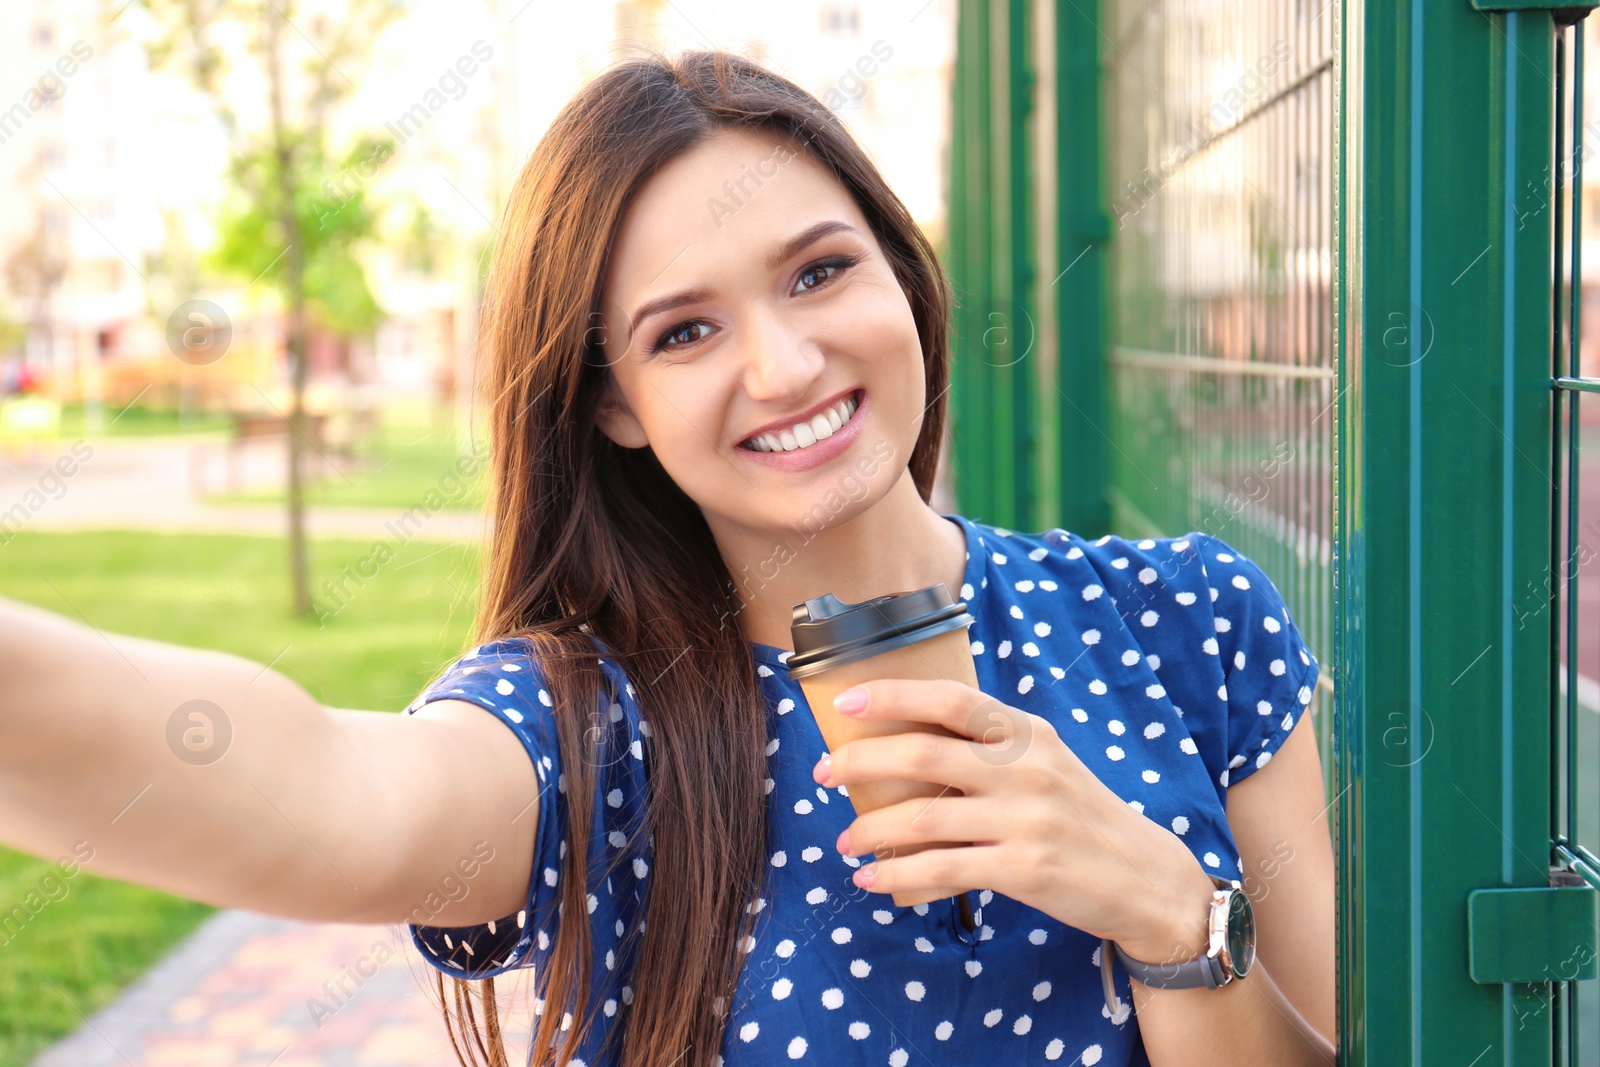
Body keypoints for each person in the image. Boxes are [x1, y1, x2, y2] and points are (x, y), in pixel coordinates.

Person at [0, 50, 1337, 1067]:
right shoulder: (593, 722)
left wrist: (1176, 920)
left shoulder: (1187, 622)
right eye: (683, 334)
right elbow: (321, 785)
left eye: (818, 272)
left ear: (900, 270)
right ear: (612, 405)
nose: (785, 363)